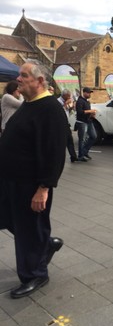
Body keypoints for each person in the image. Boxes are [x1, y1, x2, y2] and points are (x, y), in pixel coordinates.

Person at [0, 59, 68, 299]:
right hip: (9, 180)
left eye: (24, 75)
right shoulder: (28, 104)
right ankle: (45, 244)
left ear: (40, 81)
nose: (18, 79)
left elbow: (54, 153)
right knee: (7, 218)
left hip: (30, 185)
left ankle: (35, 274)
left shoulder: (50, 109)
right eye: (19, 74)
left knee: (29, 229)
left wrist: (44, 188)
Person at [75, 87, 97, 162]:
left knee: (94, 136)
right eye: (88, 92)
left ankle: (84, 151)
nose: (89, 94)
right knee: (82, 139)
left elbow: (86, 112)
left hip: (88, 121)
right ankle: (80, 156)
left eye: (90, 93)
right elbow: (80, 112)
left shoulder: (87, 101)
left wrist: (92, 114)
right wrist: (90, 111)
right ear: (84, 92)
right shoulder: (80, 101)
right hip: (81, 122)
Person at [57, 89, 78, 162]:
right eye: (68, 96)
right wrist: (66, 104)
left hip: (66, 123)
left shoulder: (67, 101)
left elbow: (68, 111)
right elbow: (59, 112)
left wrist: (72, 107)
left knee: (70, 140)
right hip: (60, 124)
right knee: (61, 141)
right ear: (64, 95)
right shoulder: (58, 101)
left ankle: (73, 156)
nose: (69, 97)